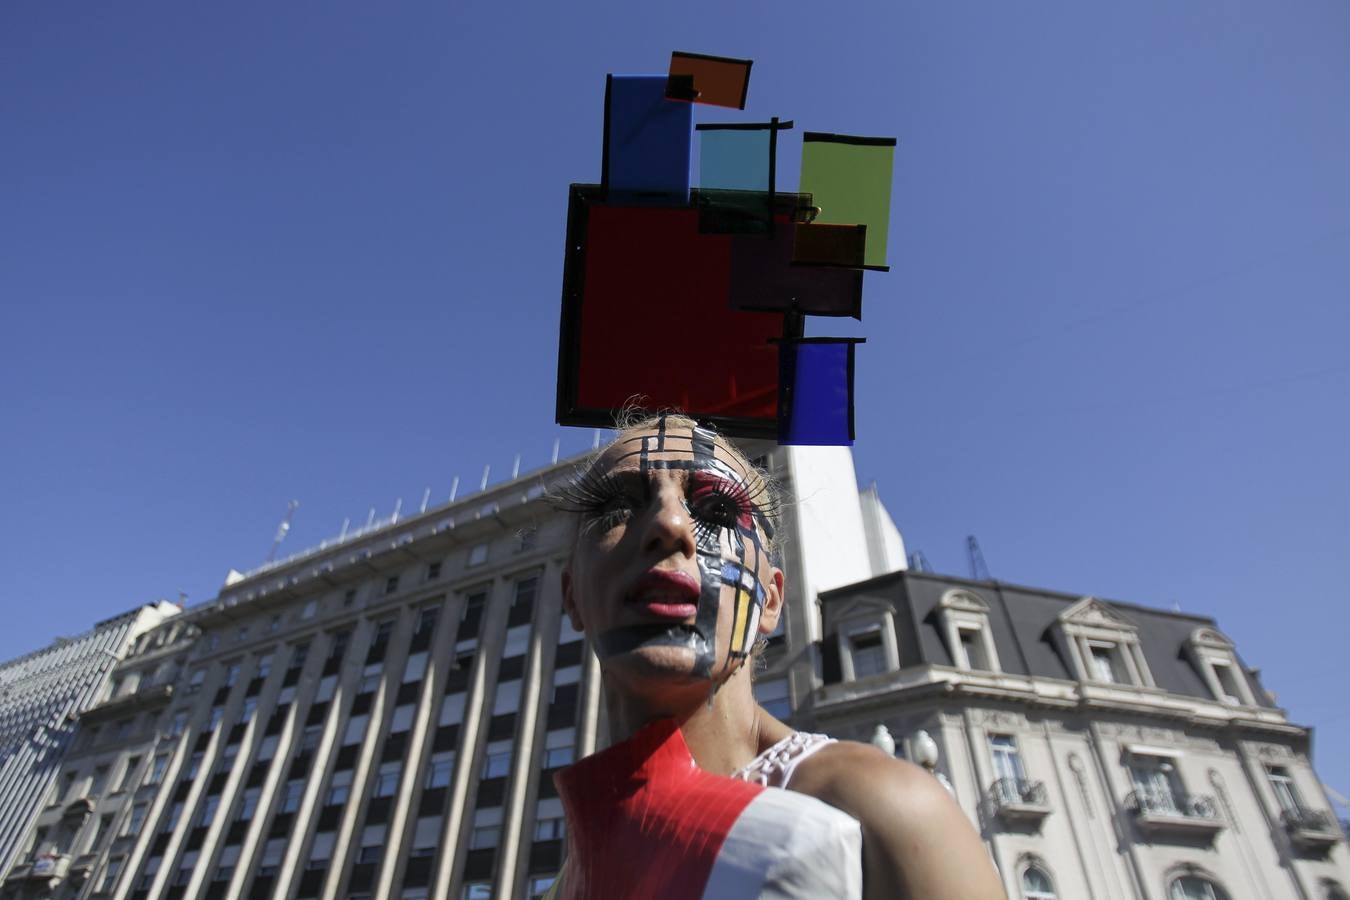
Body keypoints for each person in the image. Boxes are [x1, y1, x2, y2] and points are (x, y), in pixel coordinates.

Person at [548, 412, 1007, 899]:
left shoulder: (881, 815)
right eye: (616, 509)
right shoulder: (570, 878)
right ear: (572, 595)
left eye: (718, 511)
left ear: (770, 600)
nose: (669, 523)